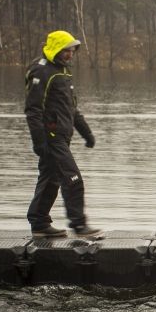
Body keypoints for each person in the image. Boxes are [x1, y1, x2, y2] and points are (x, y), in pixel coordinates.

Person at [24, 30, 100, 238]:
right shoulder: (41, 71)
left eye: (72, 50)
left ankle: (39, 223)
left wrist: (86, 133)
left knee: (51, 180)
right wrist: (39, 142)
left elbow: (71, 109)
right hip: (51, 137)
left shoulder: (63, 72)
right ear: (56, 49)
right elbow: (33, 110)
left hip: (63, 137)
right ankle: (79, 225)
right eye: (66, 50)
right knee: (72, 178)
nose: (70, 54)